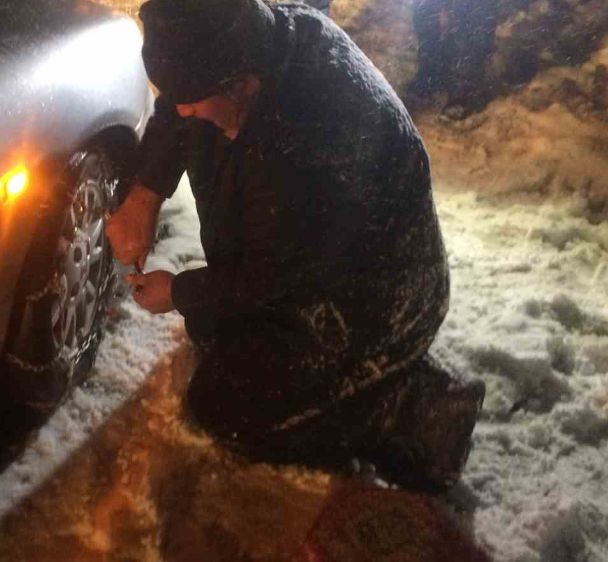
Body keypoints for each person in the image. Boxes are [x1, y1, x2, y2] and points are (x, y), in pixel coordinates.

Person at [106, 0, 485, 492]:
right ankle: (354, 381)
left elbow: (273, 275)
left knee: (227, 406)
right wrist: (144, 194)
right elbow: (183, 101)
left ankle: (412, 411)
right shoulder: (251, 44)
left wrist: (178, 292)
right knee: (215, 328)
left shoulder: (317, 133)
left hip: (378, 292)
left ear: (240, 83)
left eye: (192, 99)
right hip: (311, 258)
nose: (180, 110)